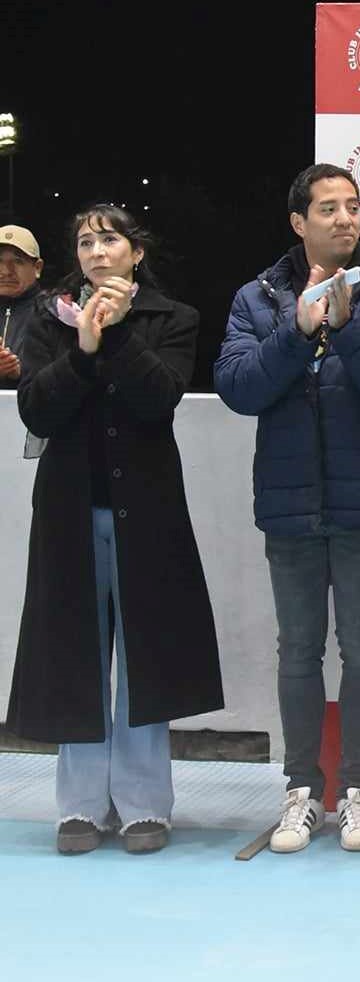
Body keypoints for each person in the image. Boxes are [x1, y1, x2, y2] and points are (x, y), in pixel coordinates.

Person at [214, 163, 360, 854]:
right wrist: (297, 329)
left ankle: (359, 792)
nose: (344, 218)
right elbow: (238, 388)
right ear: (298, 222)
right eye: (328, 208)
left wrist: (345, 328)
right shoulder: (260, 297)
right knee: (298, 650)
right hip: (289, 508)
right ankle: (302, 791)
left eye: (353, 205)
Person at [9, 205, 223, 854]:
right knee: (76, 651)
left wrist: (121, 335)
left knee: (143, 657)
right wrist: (83, 352)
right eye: (85, 242)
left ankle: (143, 804)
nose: (97, 251)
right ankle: (78, 805)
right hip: (70, 514)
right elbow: (37, 410)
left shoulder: (172, 318)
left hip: (146, 515)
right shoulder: (51, 319)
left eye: (110, 239)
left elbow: (159, 398)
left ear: (135, 252)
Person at [1, 223, 45, 388]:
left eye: (18, 261)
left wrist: (19, 372)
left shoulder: (54, 312)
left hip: (34, 410)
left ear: (37, 267)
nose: (6, 271)